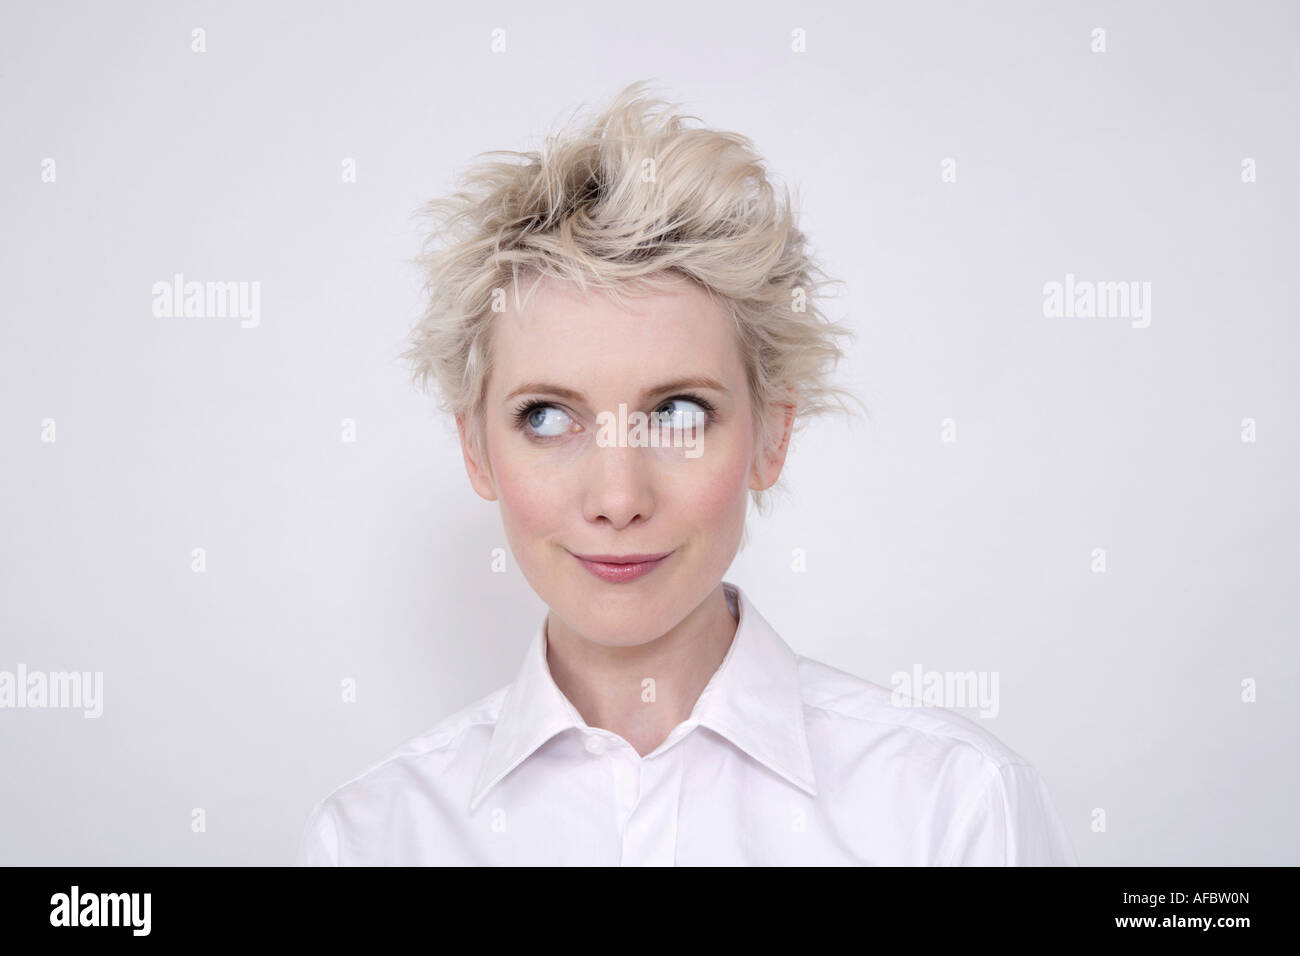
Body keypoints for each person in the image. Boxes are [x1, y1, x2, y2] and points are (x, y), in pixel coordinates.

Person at [297, 82, 1078, 866]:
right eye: (546, 416)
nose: (618, 499)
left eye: (677, 414)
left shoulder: (957, 808)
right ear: (476, 449)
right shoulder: (371, 839)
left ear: (773, 437)